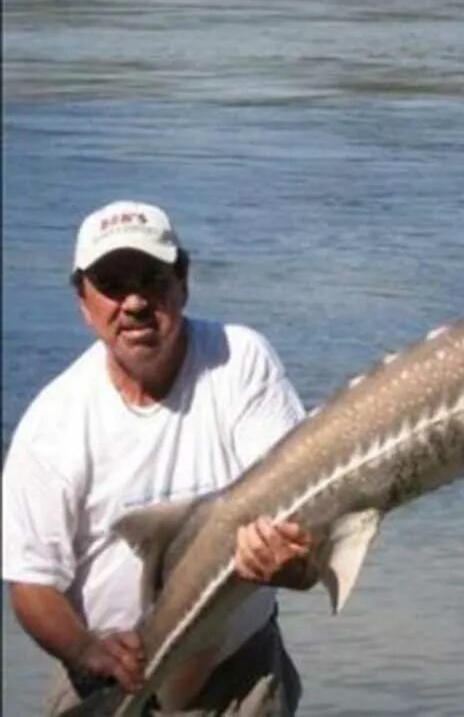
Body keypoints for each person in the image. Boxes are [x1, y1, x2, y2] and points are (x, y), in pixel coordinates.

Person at [2, 200, 318, 715]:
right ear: (83, 301)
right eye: (111, 283)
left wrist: (291, 560)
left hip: (238, 675)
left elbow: (300, 510)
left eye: (152, 278)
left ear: (183, 281)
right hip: (102, 675)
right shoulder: (52, 423)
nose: (133, 303)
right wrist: (88, 652)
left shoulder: (240, 362)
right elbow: (32, 583)